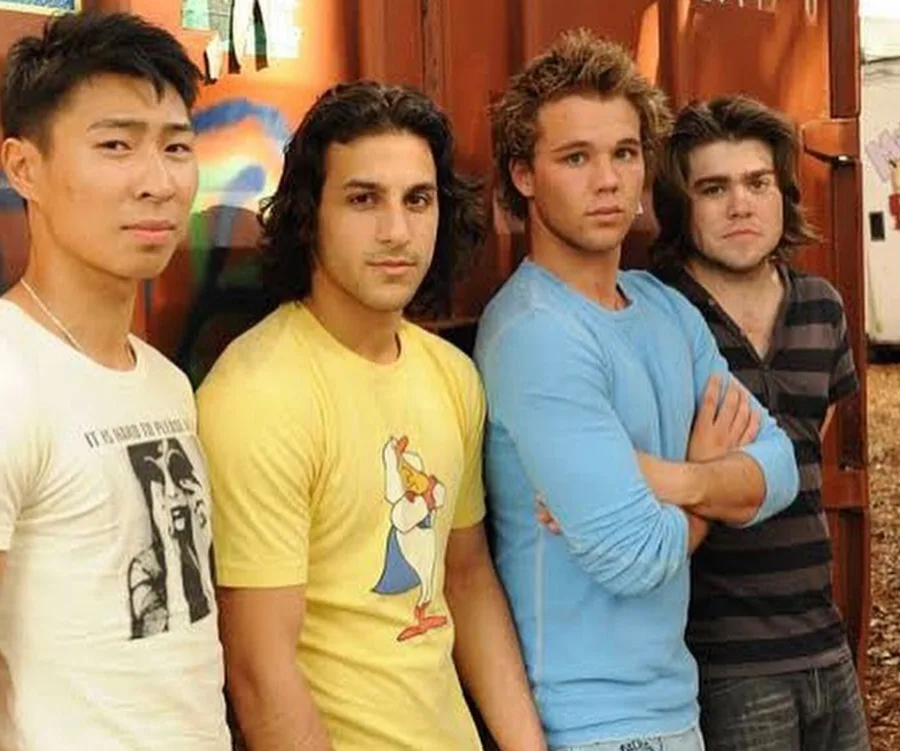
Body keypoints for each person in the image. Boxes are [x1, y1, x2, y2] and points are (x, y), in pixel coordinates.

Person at [196, 81, 546, 751]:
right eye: (363, 199)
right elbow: (258, 670)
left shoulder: (450, 373)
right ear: (309, 215)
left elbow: (466, 575)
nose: (396, 231)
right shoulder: (260, 394)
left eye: (418, 200)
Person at [476, 28, 800, 751]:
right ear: (524, 175)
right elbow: (636, 558)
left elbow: (780, 470)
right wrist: (715, 487)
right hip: (585, 725)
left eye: (624, 153)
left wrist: (660, 475)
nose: (609, 181)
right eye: (576, 157)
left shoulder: (662, 305)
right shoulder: (535, 332)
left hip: (675, 711)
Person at [0, 11, 230, 750]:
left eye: (176, 147)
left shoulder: (164, 381)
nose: (157, 183)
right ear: (22, 167)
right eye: (115, 146)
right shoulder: (10, 374)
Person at [652, 94, 870, 751]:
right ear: (681, 206)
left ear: (783, 194)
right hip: (727, 660)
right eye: (713, 188)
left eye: (757, 182)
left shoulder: (821, 307)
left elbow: (809, 455)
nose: (740, 204)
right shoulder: (654, 314)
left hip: (827, 643)